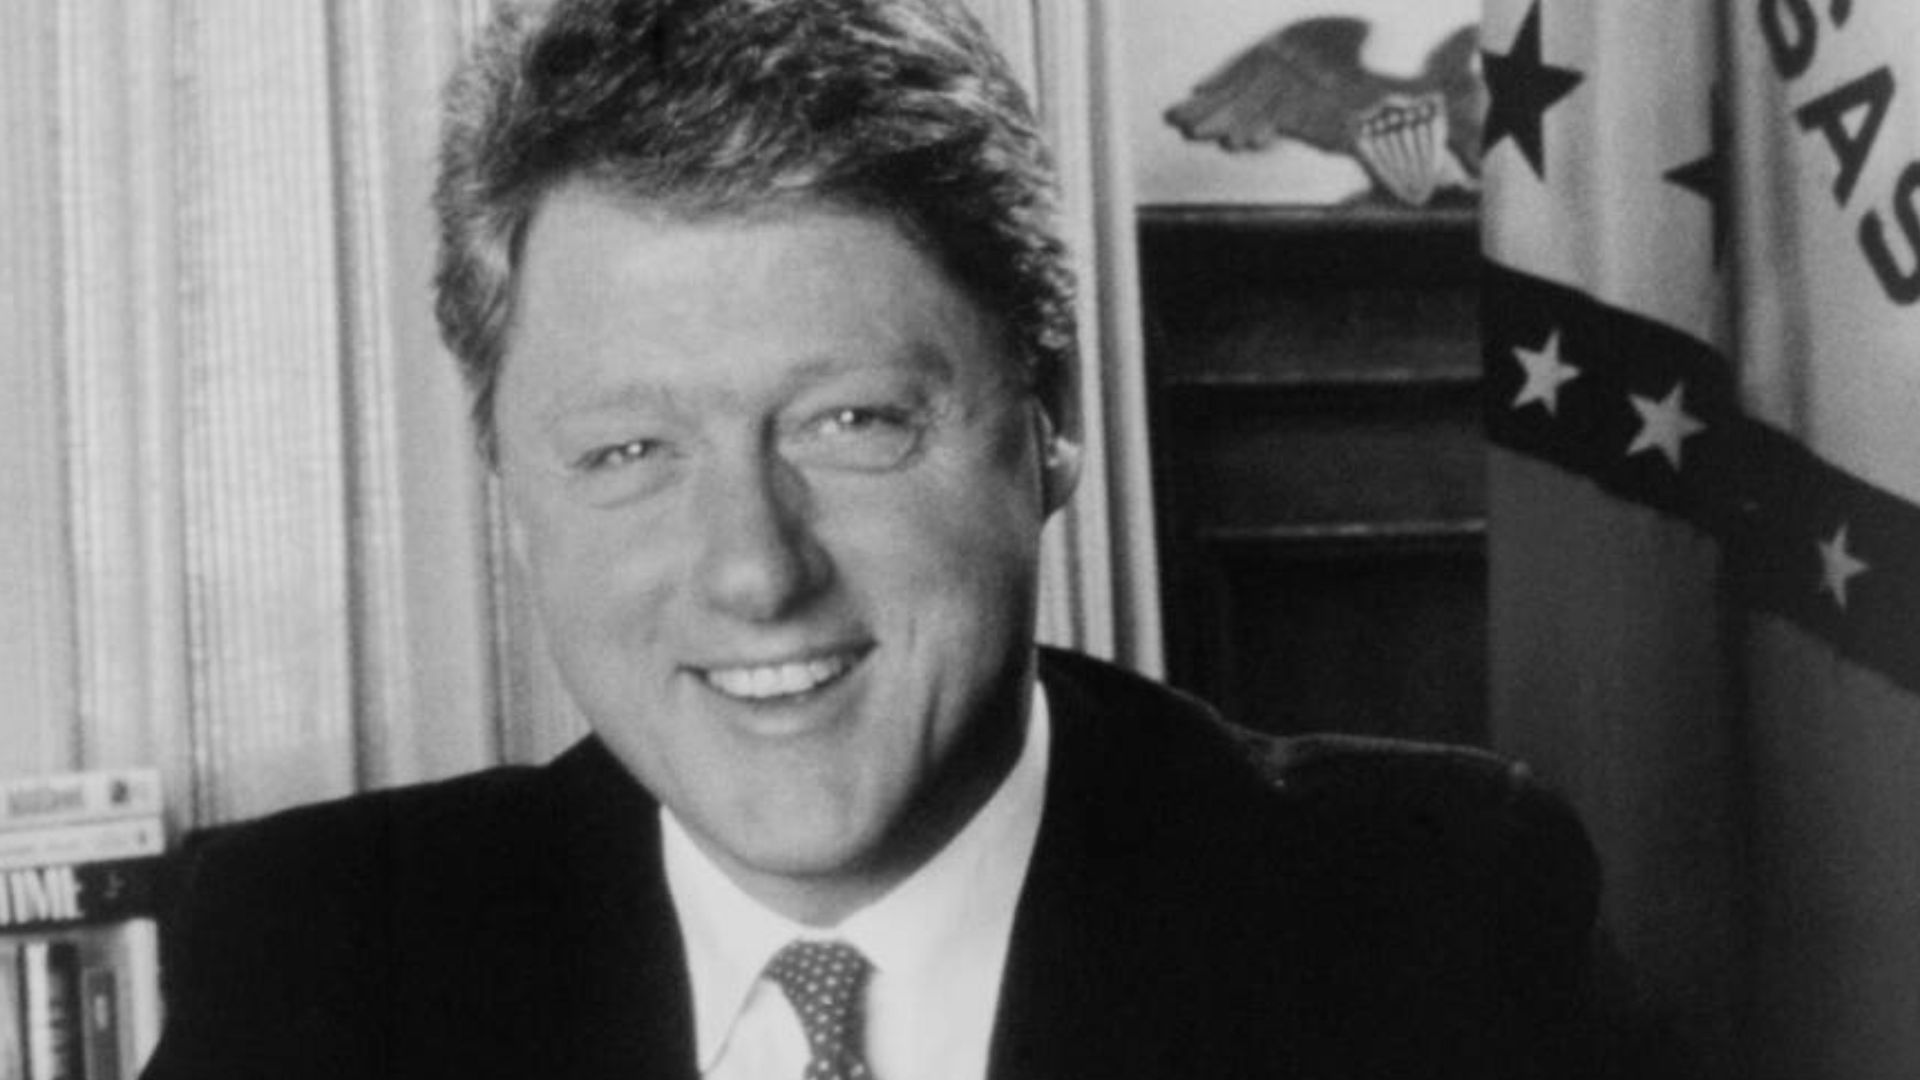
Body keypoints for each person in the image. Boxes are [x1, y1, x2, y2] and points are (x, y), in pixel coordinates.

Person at [141, 1, 1598, 1078]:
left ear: (1050, 420)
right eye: (629, 452)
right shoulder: (315, 956)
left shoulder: (1414, 918)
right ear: (511, 488)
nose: (754, 572)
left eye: (851, 424)